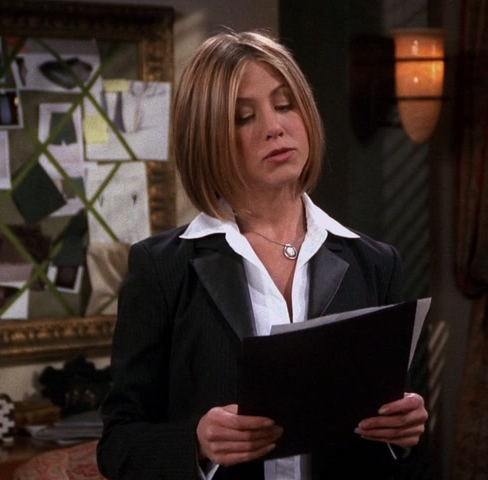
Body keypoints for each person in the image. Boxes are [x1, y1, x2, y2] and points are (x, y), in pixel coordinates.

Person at [96, 30, 429, 480]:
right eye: (244, 117)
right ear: (207, 137)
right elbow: (118, 444)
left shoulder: (375, 263)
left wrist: (405, 435)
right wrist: (196, 442)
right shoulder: (163, 269)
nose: (275, 127)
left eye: (285, 105)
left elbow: (401, 429)